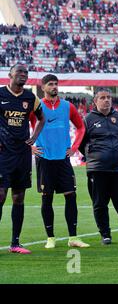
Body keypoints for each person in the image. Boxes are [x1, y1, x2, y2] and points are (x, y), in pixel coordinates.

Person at [30, 74, 89, 249]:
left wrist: (75, 147)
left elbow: (81, 127)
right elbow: (17, 127)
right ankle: (50, 238)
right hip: (44, 158)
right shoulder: (36, 107)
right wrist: (30, 146)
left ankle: (73, 237)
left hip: (63, 159)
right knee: (46, 198)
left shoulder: (67, 106)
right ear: (43, 87)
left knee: (71, 196)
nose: (54, 87)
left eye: (56, 84)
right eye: (50, 84)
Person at [0, 63, 45, 254]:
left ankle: (15, 243)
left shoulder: (30, 97)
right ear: (10, 74)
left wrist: (34, 137)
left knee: (18, 197)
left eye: (26, 73)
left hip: (22, 154)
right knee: (0, 196)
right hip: (2, 154)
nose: (23, 75)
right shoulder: (1, 94)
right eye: (20, 72)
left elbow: (41, 118)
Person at [79, 88, 118, 245]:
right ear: (95, 101)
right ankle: (105, 234)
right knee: (100, 203)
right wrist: (94, 156)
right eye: (102, 97)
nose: (107, 100)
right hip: (97, 169)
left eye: (109, 97)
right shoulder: (88, 119)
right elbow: (81, 143)